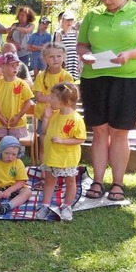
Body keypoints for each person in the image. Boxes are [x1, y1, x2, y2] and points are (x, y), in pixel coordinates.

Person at [77, 0, 136, 201]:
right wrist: (85, 56)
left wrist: (130, 54)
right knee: (100, 131)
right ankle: (97, 180)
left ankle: (118, 184)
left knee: (119, 132)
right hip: (95, 78)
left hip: (130, 78)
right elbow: (82, 45)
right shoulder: (93, 15)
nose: (107, 1)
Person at [36, 82, 86, 221]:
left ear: (66, 101)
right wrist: (46, 117)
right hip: (52, 156)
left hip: (67, 158)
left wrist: (63, 141)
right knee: (50, 180)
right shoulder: (54, 114)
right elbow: (45, 131)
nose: (50, 100)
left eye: (53, 98)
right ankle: (45, 205)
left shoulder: (76, 119)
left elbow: (80, 139)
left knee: (70, 181)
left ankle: (67, 206)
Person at [33, 43, 74, 162]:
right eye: (51, 57)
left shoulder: (67, 76)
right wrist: (58, 98)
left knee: (60, 145)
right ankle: (44, 172)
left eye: (58, 56)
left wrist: (51, 98)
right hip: (43, 117)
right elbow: (39, 97)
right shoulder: (41, 77)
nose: (55, 59)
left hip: (61, 118)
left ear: (64, 57)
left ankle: (60, 170)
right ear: (45, 59)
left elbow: (69, 98)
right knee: (44, 146)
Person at [0, 52, 33, 139]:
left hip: (18, 122)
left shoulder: (22, 84)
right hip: (1, 122)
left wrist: (18, 116)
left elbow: (28, 102)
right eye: (12, 65)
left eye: (17, 65)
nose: (15, 67)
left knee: (15, 146)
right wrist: (0, 117)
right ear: (3, 67)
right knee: (2, 145)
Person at [54, 11, 79, 80]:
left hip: (74, 60)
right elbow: (56, 48)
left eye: (71, 20)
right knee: (64, 79)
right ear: (63, 21)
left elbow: (78, 47)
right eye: (67, 20)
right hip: (65, 60)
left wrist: (79, 62)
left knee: (74, 79)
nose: (69, 22)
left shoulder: (75, 33)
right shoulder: (59, 33)